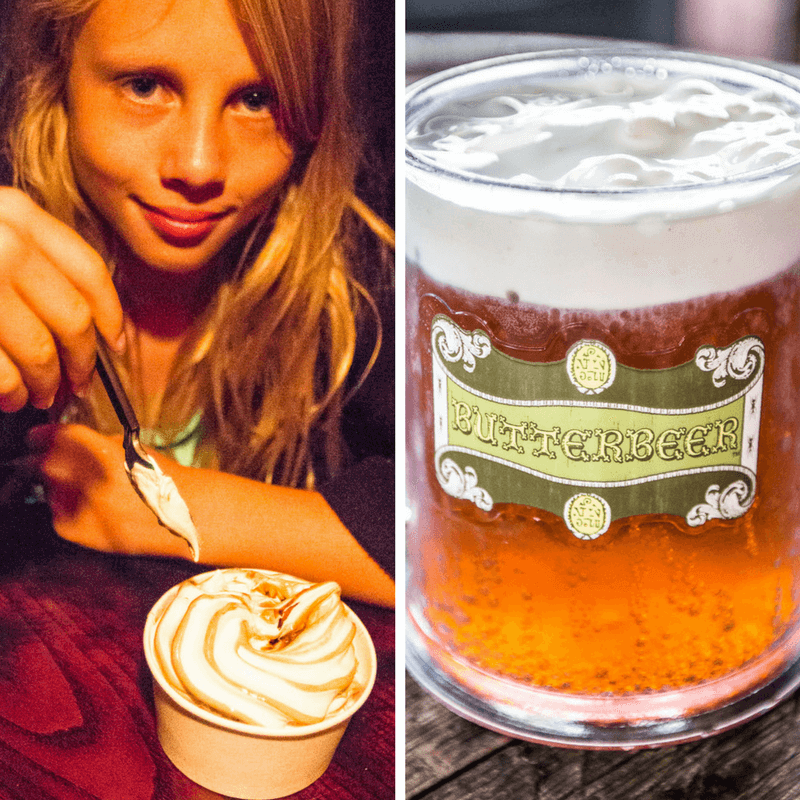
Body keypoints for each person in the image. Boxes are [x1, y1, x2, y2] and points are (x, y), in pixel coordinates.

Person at [0, 0, 395, 607]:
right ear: (60, 67)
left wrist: (169, 506)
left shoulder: (358, 279)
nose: (198, 165)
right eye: (144, 86)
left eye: (258, 100)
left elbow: (488, 531)